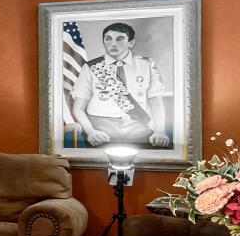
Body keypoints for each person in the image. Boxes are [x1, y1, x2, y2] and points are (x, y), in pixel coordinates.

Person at [68, 21, 171, 149]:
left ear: (131, 43)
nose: (113, 44)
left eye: (119, 39)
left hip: (137, 126)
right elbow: (78, 108)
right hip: (100, 126)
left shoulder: (146, 65)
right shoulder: (91, 67)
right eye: (108, 39)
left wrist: (160, 131)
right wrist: (90, 131)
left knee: (161, 151)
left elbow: (155, 102)